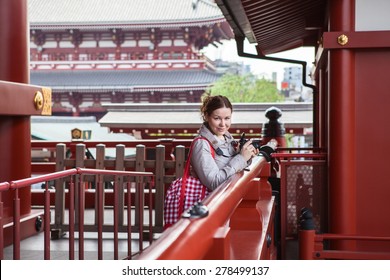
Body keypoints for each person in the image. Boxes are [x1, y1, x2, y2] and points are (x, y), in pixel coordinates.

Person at [190, 95, 259, 191]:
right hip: (211, 202)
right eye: (217, 118)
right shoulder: (201, 144)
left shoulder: (228, 138)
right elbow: (214, 183)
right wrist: (241, 158)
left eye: (227, 118)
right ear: (206, 116)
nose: (223, 124)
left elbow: (235, 169)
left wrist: (246, 156)